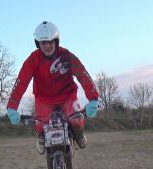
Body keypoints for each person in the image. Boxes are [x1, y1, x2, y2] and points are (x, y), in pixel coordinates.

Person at [7, 21, 99, 154]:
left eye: (51, 42)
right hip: (44, 99)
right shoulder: (33, 60)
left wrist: (93, 98)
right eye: (44, 43)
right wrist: (12, 107)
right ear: (38, 43)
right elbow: (21, 82)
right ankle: (41, 137)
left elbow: (82, 74)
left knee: (77, 121)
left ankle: (78, 133)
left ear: (57, 41)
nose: (47, 46)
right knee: (39, 126)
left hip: (67, 97)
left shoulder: (66, 55)